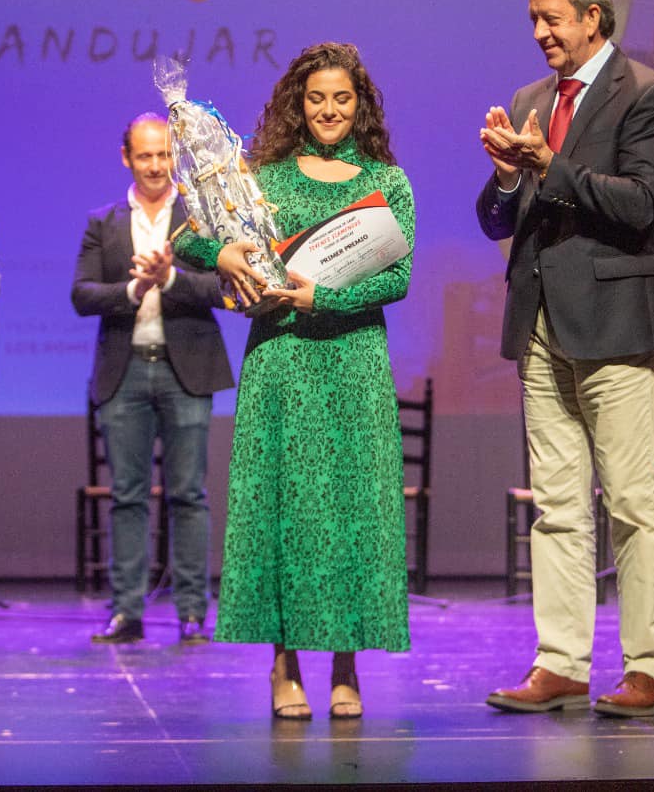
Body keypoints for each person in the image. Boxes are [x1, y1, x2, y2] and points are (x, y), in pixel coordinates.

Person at [173, 41, 414, 720]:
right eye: (316, 98)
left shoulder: (386, 182)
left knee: (350, 514)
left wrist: (324, 301)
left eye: (342, 98)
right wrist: (224, 252)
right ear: (297, 104)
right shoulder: (267, 177)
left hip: (355, 363)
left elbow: (396, 278)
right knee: (283, 511)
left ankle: (346, 669)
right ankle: (284, 667)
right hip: (281, 361)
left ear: (359, 103)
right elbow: (187, 238)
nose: (330, 110)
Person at [476, 0, 654, 718]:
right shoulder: (531, 100)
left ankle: (647, 669)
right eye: (533, 19)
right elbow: (502, 220)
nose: (539, 34)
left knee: (631, 502)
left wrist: (550, 166)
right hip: (540, 325)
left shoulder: (651, 92)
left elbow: (638, 205)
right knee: (558, 506)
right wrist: (506, 177)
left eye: (551, 19)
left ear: (593, 18)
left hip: (619, 325)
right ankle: (560, 662)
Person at [72, 113, 235, 645]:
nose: (157, 166)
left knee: (189, 494)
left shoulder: (198, 215)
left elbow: (224, 289)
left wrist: (170, 278)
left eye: (165, 155)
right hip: (124, 371)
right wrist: (132, 291)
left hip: (184, 367)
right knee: (127, 495)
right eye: (145, 156)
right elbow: (82, 295)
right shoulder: (104, 221)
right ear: (127, 158)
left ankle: (192, 613)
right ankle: (127, 612)